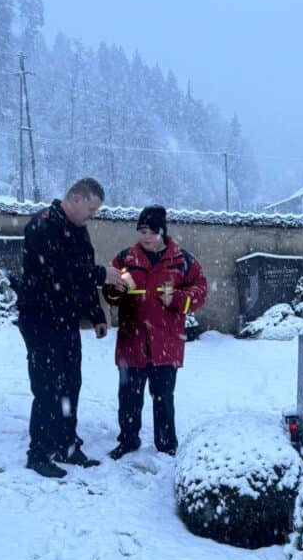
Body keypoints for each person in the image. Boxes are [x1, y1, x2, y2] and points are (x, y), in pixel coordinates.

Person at [17, 177, 123, 478]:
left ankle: (66, 444)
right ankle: (39, 453)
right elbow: (57, 273)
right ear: (75, 198)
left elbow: (83, 277)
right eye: (91, 209)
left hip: (65, 320)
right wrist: (101, 274)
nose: (93, 215)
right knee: (48, 386)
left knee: (70, 383)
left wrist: (97, 314)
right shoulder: (42, 226)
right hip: (39, 318)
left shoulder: (78, 230)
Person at [103, 205, 207, 459]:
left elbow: (201, 290)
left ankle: (166, 444)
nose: (146, 237)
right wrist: (116, 291)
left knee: (163, 398)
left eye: (151, 232)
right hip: (132, 340)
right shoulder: (125, 259)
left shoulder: (182, 260)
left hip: (165, 342)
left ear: (162, 232)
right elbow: (110, 292)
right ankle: (128, 440)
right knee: (129, 397)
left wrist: (178, 299)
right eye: (142, 231)